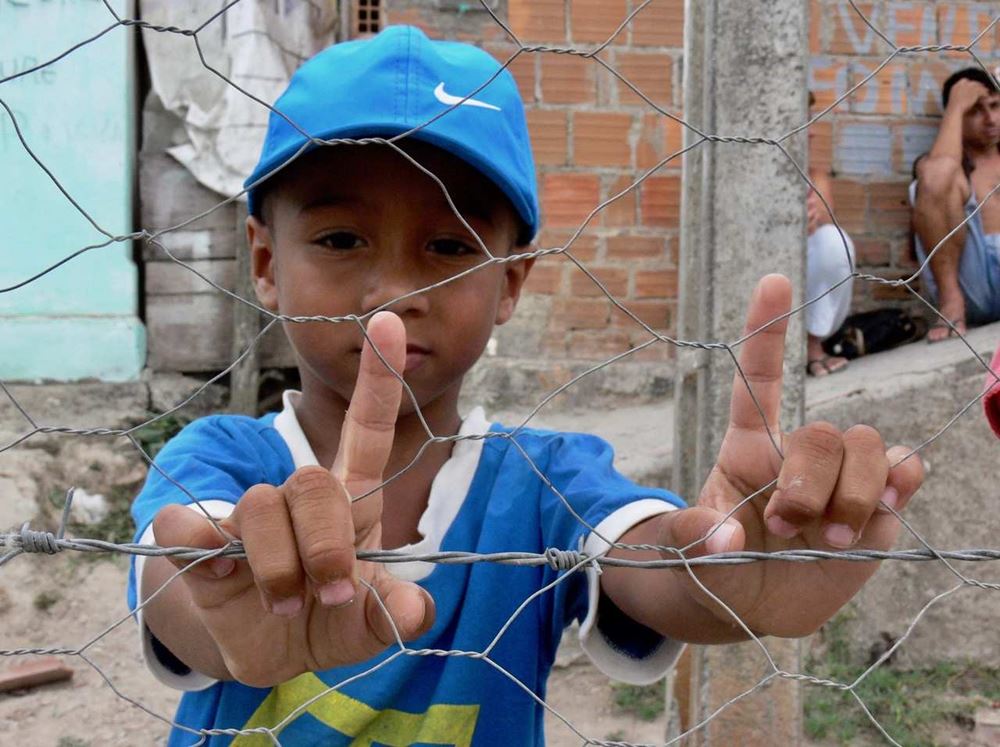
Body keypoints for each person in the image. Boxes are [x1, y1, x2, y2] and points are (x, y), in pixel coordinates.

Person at [129, 27, 924, 746]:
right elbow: (180, 578)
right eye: (341, 238)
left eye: (448, 245)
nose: (394, 292)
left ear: (510, 282)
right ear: (266, 262)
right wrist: (235, 597)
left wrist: (724, 569)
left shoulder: (543, 482)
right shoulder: (217, 460)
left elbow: (646, 556)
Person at [912, 67, 1000, 343]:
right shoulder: (945, 168)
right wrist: (956, 106)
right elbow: (938, 175)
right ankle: (951, 302)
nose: (990, 119)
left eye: (996, 106)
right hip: (972, 284)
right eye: (975, 111)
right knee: (936, 175)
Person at [806, 92, 856, 376]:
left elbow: (823, 223)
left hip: (801, 291)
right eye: (803, 122)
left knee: (834, 242)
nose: (811, 132)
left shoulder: (814, 177)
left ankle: (812, 345)